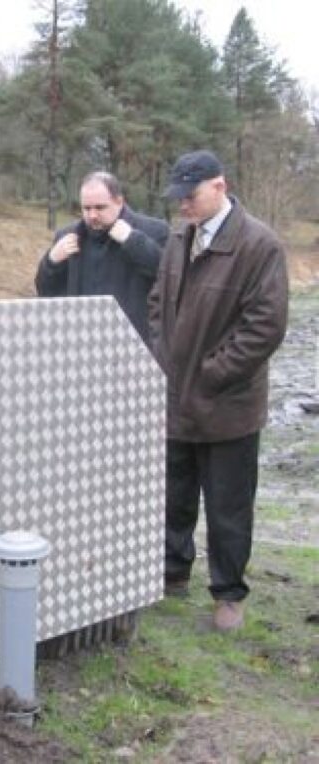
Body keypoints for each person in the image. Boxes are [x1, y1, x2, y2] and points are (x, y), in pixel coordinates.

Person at [149, 150, 288, 632]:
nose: (183, 205)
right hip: (174, 397)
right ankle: (171, 573)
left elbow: (265, 327)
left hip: (227, 405)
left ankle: (229, 593)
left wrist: (211, 373)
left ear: (219, 186)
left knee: (228, 507)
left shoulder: (259, 245)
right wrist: (162, 357)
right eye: (178, 197)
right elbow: (156, 303)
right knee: (174, 495)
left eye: (191, 195)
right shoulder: (177, 237)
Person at [35, 171, 169, 343]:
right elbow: (45, 293)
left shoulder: (154, 231)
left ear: (119, 201)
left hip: (135, 345)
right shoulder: (67, 236)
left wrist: (134, 241)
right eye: (86, 208)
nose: (92, 215)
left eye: (100, 208)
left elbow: (169, 279)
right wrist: (51, 261)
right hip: (81, 343)